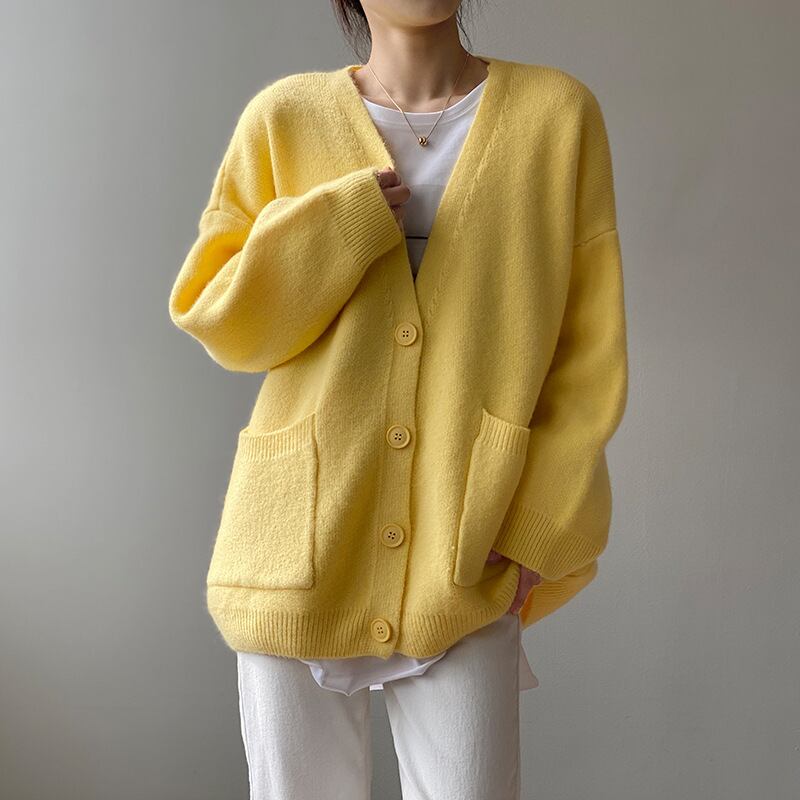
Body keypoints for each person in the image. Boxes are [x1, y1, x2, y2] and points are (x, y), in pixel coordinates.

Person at [167, 1, 628, 797]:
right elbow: (225, 321)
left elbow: (588, 351)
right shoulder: (285, 117)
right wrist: (333, 228)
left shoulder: (557, 115)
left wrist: (536, 524)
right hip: (298, 537)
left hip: (467, 535)